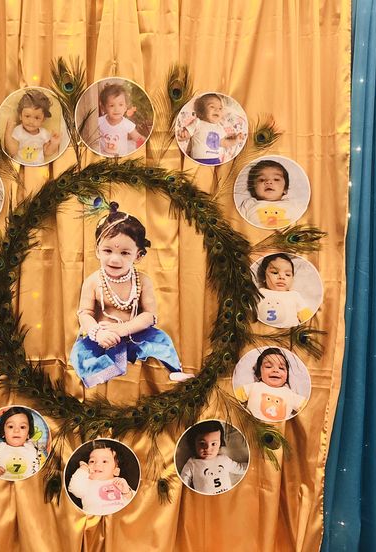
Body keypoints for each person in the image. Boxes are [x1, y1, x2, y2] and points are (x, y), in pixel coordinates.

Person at [70, 202, 192, 387]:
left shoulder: (142, 281)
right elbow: (84, 313)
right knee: (81, 354)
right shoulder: (93, 281)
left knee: (162, 340)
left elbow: (150, 315)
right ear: (97, 250)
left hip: (136, 333)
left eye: (125, 253)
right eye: (107, 250)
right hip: (104, 337)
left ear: (139, 255)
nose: (115, 259)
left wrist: (124, 329)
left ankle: (174, 370)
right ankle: (101, 373)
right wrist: (97, 333)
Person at [234, 348, 308, 422]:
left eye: (281, 368)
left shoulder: (290, 394)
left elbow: (308, 408)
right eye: (268, 366)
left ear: (286, 376)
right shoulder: (253, 387)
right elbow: (232, 397)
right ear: (259, 374)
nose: (275, 370)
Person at [179, 420, 246, 495]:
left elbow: (240, 468)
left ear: (220, 443)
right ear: (193, 443)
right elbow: (183, 483)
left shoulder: (224, 460)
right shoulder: (192, 463)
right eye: (202, 443)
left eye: (213, 444)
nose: (208, 448)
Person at [68, 441, 135, 515]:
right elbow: (75, 488)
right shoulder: (87, 483)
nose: (97, 464)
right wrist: (83, 470)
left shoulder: (120, 483)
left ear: (116, 471)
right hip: (96, 522)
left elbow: (135, 505)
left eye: (104, 461)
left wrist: (127, 493)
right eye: (92, 461)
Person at [178, 93, 244, 165]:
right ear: (202, 111)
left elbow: (223, 143)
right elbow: (188, 133)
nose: (217, 110)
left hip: (216, 161)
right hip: (197, 160)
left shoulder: (220, 127)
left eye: (220, 108)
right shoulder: (198, 122)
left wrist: (236, 140)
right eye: (212, 107)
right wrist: (184, 136)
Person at [238, 159, 303, 228]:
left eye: (276, 179)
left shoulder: (293, 206)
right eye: (261, 179)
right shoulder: (248, 204)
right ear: (253, 188)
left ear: (285, 189)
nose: (268, 181)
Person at [4, 89, 61, 165]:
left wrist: (54, 143)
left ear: (43, 119)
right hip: (19, 166)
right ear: (20, 116)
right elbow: (12, 151)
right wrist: (8, 132)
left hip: (38, 168)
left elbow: (47, 152)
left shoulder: (44, 133)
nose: (31, 121)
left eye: (37, 118)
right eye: (27, 116)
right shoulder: (18, 131)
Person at [255, 253, 313, 328]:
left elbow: (307, 317)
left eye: (287, 274)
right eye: (275, 272)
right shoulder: (259, 292)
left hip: (290, 334)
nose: (282, 277)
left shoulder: (294, 295)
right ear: (263, 277)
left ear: (292, 279)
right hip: (263, 331)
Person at [0, 407, 44, 481]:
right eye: (10, 426)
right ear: (3, 432)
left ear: (28, 434)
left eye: (22, 427)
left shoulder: (36, 453)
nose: (16, 430)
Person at [97, 83, 145, 157]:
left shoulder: (127, 124)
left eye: (121, 105)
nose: (117, 109)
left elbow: (138, 138)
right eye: (111, 105)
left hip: (122, 158)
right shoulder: (99, 122)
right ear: (103, 108)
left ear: (125, 107)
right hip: (103, 157)